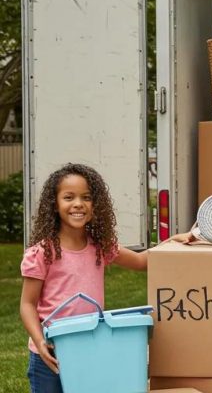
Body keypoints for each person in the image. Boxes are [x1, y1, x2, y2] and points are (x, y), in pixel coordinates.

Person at [19, 163, 150, 393]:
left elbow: (141, 262)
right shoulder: (42, 252)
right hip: (50, 352)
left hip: (90, 347)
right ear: (55, 204)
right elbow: (27, 304)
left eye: (86, 197)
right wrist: (40, 342)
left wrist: (180, 241)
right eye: (68, 197)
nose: (78, 204)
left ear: (95, 205)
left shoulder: (100, 247)